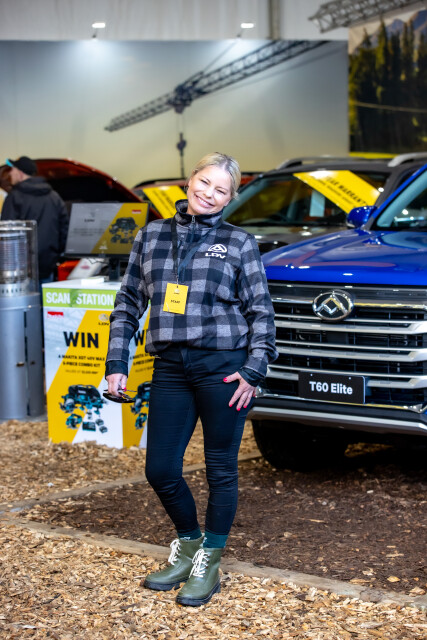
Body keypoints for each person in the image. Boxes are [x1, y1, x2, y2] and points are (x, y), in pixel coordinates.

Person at [105, 152, 277, 607]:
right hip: (170, 367)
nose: (209, 194)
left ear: (230, 198)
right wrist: (116, 362)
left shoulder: (239, 242)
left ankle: (210, 561)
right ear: (189, 181)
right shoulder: (151, 235)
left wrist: (254, 370)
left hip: (224, 368)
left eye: (221, 190)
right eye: (204, 183)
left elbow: (261, 311)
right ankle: (188, 544)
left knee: (220, 467)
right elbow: (128, 303)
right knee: (160, 469)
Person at [1, 156, 68, 283]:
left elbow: (6, 232)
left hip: (21, 267)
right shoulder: (54, 196)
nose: (10, 173)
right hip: (48, 264)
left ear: (20, 173)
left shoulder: (14, 197)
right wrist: (57, 255)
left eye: (13, 169)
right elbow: (64, 228)